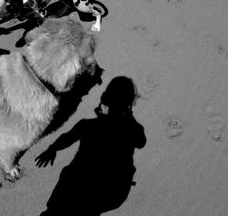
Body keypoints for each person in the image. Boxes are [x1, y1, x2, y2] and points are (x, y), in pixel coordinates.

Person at [35, 76, 146, 216]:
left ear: (106, 100)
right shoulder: (131, 130)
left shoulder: (89, 126)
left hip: (77, 184)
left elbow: (67, 138)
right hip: (111, 192)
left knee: (58, 203)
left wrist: (52, 149)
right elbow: (141, 142)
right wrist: (127, 114)